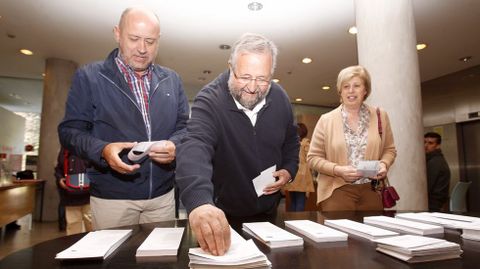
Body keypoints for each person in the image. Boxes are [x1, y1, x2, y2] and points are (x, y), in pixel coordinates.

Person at [58, 7, 189, 229]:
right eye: (134, 38)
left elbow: (185, 127)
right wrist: (102, 150)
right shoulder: (90, 77)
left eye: (150, 41)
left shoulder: (172, 80)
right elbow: (70, 132)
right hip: (112, 198)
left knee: (160, 262)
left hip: (163, 196)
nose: (142, 49)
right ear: (117, 34)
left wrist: (175, 144)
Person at [176, 33, 299, 255]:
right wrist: (199, 202)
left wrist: (289, 170)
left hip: (269, 211)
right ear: (230, 67)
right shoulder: (210, 99)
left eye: (262, 79)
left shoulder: (280, 97)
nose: (252, 88)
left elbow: (291, 141)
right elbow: (194, 146)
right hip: (224, 216)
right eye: (244, 77)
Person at [307, 65, 397, 211]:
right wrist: (338, 170)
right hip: (336, 190)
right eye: (346, 86)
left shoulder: (381, 116)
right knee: (340, 234)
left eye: (357, 85)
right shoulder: (326, 120)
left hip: (372, 190)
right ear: (340, 91)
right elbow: (313, 158)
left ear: (365, 90)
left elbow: (389, 150)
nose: (351, 90)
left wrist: (384, 164)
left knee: (372, 234)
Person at [54, 147, 92, 235]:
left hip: (89, 194)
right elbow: (59, 168)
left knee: (91, 223)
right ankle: (74, 247)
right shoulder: (64, 150)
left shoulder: (89, 147)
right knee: (73, 225)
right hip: (70, 194)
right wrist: (60, 179)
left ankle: (92, 246)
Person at [283, 123, 315, 211]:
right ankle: (298, 222)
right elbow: (310, 159)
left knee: (293, 201)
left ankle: (291, 221)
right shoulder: (306, 143)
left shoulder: (291, 143)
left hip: (292, 175)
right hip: (302, 177)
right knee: (301, 201)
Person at [424, 132, 451, 211]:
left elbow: (426, 188)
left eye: (430, 143)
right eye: (424, 142)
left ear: (438, 146)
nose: (426, 146)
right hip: (436, 203)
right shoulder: (435, 159)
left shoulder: (435, 162)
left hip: (433, 205)